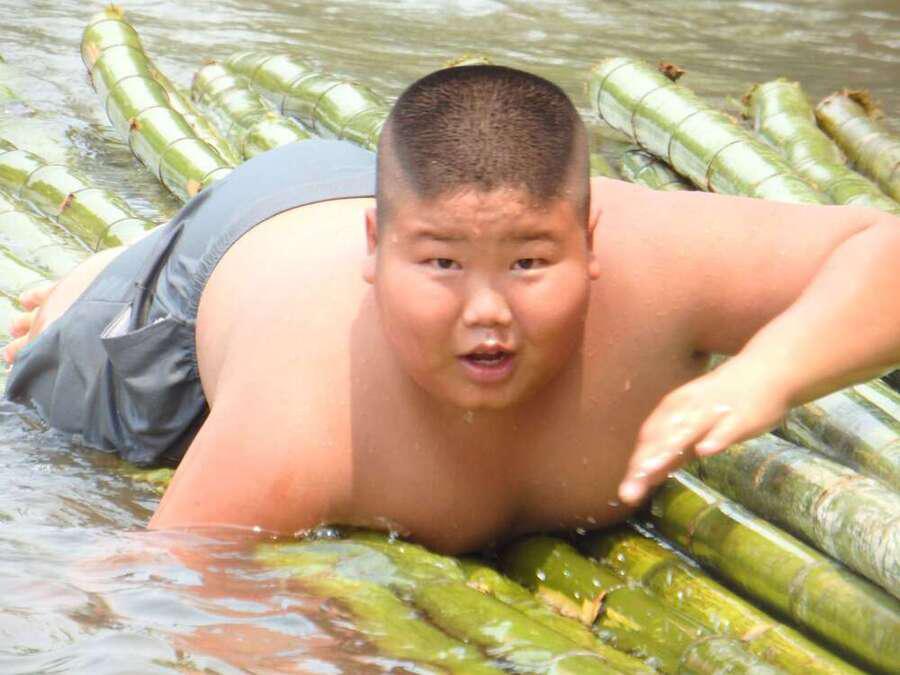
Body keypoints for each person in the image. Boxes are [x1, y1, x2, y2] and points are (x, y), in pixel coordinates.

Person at [4, 66, 899, 553]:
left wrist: (769, 370)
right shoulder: (298, 417)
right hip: (239, 263)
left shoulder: (662, 261)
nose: (487, 312)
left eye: (530, 263)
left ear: (591, 240)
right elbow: (164, 582)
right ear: (377, 250)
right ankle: (112, 273)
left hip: (387, 188)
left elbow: (883, 249)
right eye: (442, 268)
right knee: (55, 373)